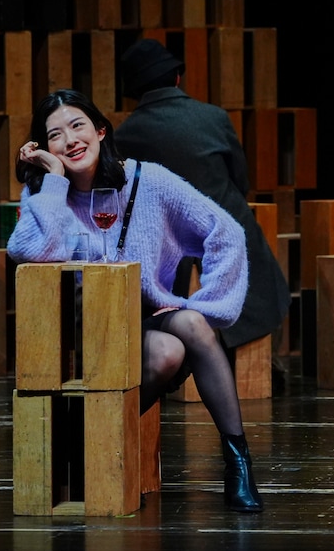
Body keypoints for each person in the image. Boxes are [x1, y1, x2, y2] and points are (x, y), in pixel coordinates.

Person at [6, 88, 264, 512]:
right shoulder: (45, 194)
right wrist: (53, 177)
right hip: (80, 332)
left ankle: (238, 463)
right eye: (55, 135)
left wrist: (208, 307)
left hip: (142, 316)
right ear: (45, 149)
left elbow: (226, 233)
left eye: (77, 126)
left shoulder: (148, 181)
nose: (70, 140)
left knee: (192, 325)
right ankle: (90, 444)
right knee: (166, 352)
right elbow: (29, 250)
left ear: (100, 131)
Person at [113, 39, 291, 363]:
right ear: (177, 77)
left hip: (170, 252)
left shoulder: (125, 135)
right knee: (258, 292)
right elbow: (241, 180)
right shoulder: (213, 117)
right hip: (227, 235)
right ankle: (268, 365)